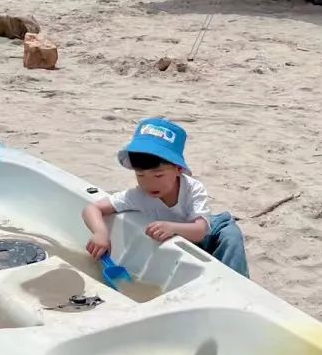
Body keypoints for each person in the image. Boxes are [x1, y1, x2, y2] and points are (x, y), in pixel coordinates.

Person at [82, 118, 249, 277]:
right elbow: (92, 208)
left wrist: (173, 228)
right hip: (182, 242)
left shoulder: (192, 188)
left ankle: (238, 286)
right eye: (140, 175)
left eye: (158, 176)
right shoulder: (137, 195)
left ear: (178, 169)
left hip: (207, 232)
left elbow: (200, 231)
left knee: (231, 235)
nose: (149, 184)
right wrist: (100, 232)